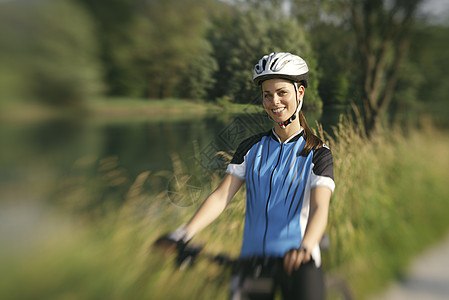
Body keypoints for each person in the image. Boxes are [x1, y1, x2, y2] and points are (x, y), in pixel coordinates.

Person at [155, 52, 335, 300]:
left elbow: (319, 208)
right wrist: (184, 233)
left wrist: (305, 247)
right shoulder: (251, 147)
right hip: (252, 262)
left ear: (300, 93)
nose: (274, 101)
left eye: (282, 92)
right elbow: (221, 197)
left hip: (298, 261)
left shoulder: (317, 153)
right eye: (267, 95)